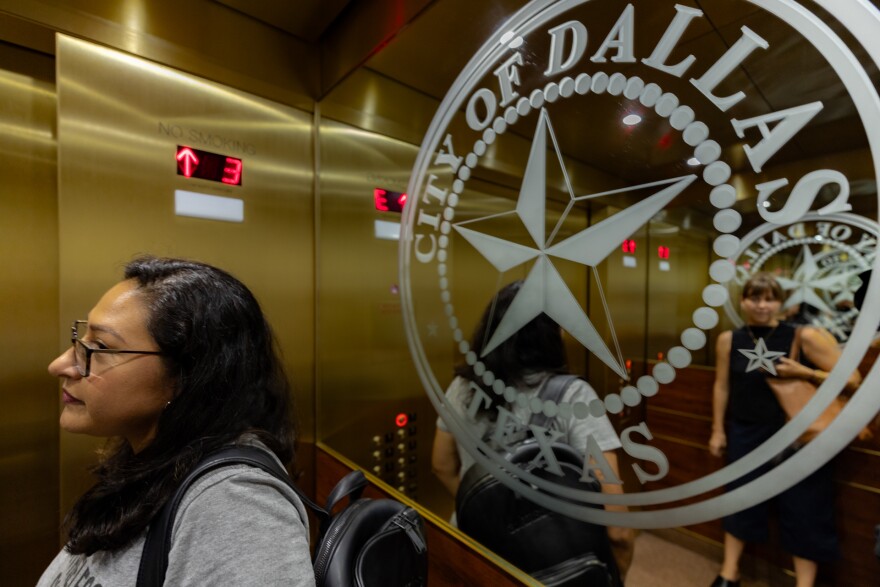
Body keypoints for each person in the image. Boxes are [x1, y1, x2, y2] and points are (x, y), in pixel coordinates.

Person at [38, 256, 315, 586]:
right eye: (81, 339)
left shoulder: (234, 504)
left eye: (100, 346)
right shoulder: (151, 465)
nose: (60, 365)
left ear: (187, 377)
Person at [430, 280, 635, 576]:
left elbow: (441, 465)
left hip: (471, 548)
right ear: (552, 335)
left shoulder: (462, 387)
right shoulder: (574, 397)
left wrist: (488, 514)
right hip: (545, 561)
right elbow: (617, 527)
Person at [708, 273, 861, 587]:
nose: (762, 305)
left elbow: (853, 380)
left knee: (805, 507)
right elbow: (722, 386)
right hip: (746, 432)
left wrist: (805, 371)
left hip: (798, 438)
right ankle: (729, 573)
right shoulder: (730, 339)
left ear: (780, 302)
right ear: (743, 300)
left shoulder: (802, 336)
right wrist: (718, 430)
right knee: (740, 500)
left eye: (769, 298)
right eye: (754, 297)